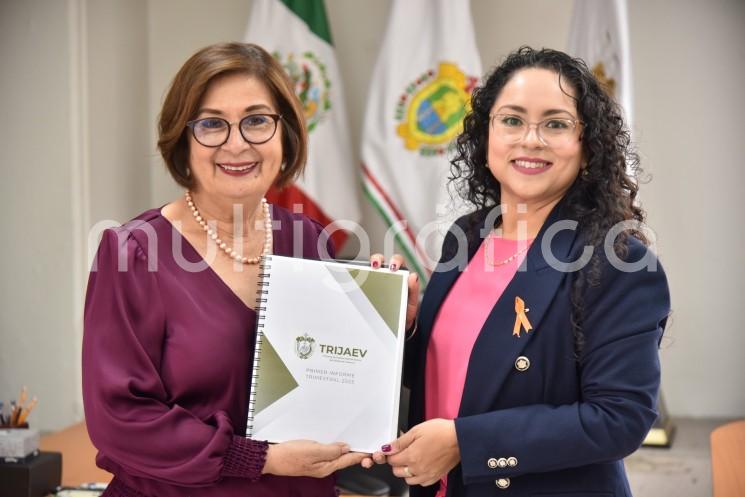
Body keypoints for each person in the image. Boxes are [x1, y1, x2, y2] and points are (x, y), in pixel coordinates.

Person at [367, 47, 671, 497]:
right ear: (486, 136)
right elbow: (451, 374)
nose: (531, 139)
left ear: (587, 148)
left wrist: (465, 444)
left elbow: (620, 419)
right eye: (511, 120)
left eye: (555, 123)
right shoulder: (467, 235)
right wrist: (405, 326)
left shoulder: (618, 261)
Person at [82, 42, 365, 497]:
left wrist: (394, 322)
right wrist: (258, 459)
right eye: (212, 124)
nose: (237, 144)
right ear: (182, 138)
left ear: (284, 132)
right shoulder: (133, 252)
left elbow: (345, 376)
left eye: (256, 120)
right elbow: (120, 419)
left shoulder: (308, 241)